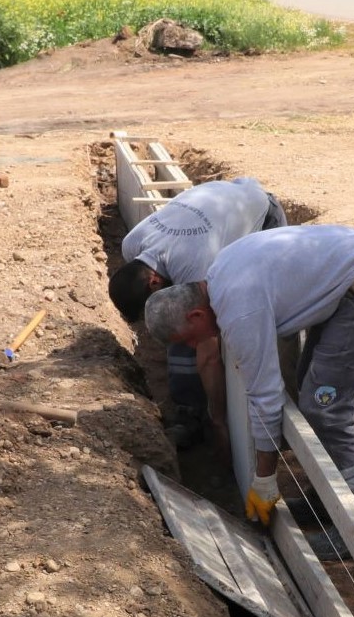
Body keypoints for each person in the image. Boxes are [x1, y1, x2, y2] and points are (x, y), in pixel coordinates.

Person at [142, 225, 354, 561]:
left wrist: (265, 478)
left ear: (195, 314)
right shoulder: (218, 275)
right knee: (310, 387)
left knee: (326, 406)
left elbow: (266, 396)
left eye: (189, 339)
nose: (195, 346)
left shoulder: (238, 310)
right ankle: (329, 501)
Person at [108, 177, 287, 446]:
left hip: (261, 215)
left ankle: (279, 416)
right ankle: (188, 413)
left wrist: (220, 418)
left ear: (154, 281)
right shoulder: (133, 245)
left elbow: (208, 353)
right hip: (220, 198)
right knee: (178, 326)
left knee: (267, 317)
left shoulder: (196, 266)